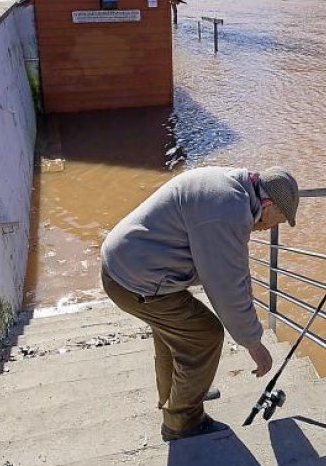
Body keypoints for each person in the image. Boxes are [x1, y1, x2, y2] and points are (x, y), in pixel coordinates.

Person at [100, 166, 300, 442]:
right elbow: (227, 284)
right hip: (134, 280)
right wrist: (253, 343)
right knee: (204, 336)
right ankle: (182, 422)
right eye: (278, 220)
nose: (270, 228)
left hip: (131, 266)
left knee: (176, 332)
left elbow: (234, 271)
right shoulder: (227, 211)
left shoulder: (234, 189)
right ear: (267, 204)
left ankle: (177, 394)